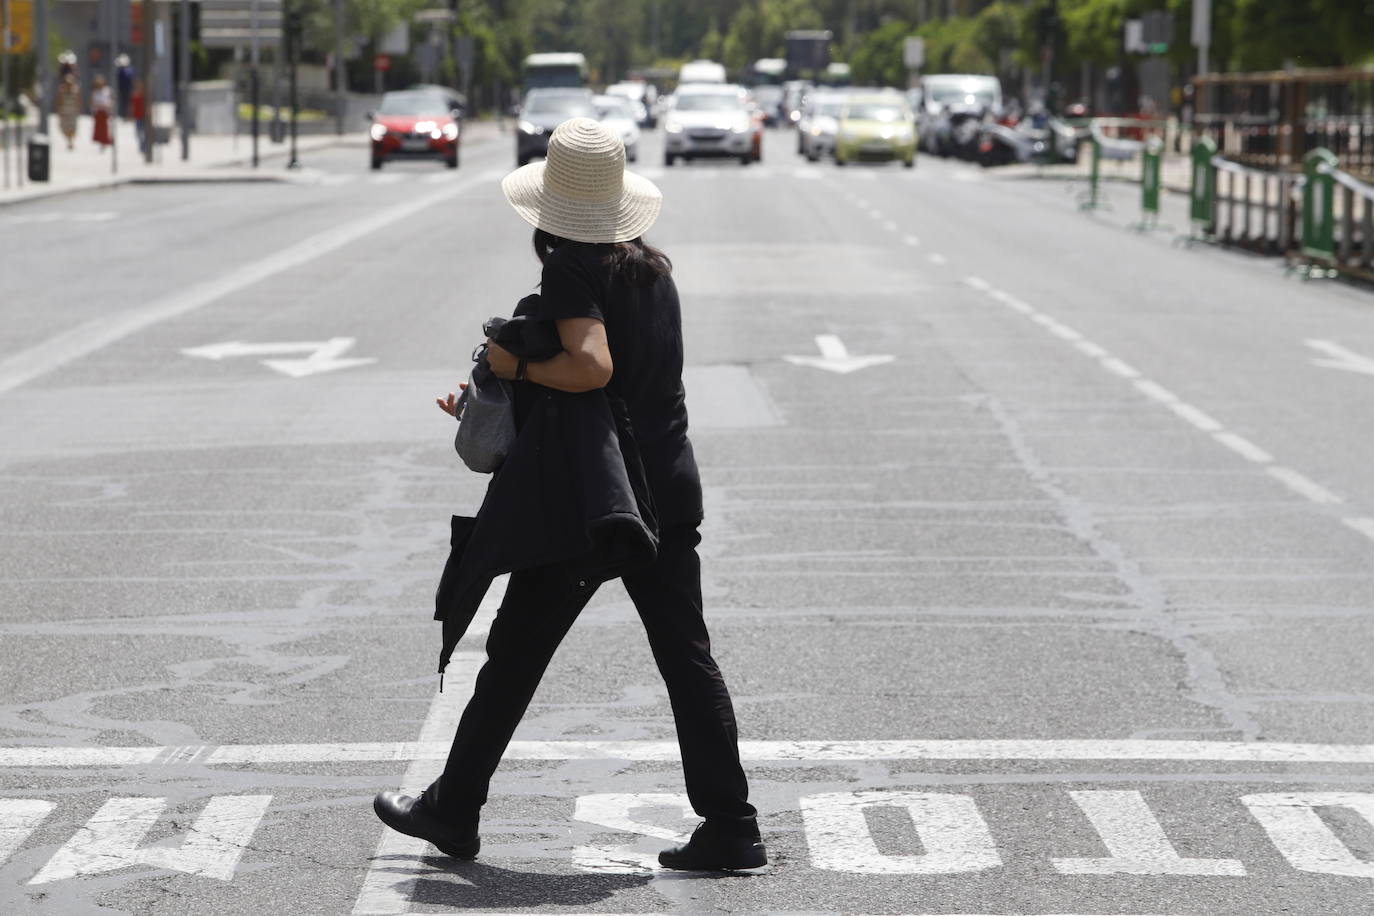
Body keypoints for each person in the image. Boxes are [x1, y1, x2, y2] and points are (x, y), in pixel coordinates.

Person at [372, 118, 767, 873]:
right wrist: (505, 399)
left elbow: (592, 369)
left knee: (515, 651)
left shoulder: (572, 272)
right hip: (667, 485)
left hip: (598, 501)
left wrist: (514, 371)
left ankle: (454, 808)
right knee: (687, 656)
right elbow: (625, 386)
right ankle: (731, 825)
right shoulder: (653, 273)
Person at [55, 73, 81, 150]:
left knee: (73, 128)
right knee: (64, 128)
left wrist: (78, 110)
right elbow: (59, 101)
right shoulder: (62, 90)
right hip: (64, 111)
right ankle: (69, 140)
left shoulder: (75, 90)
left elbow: (78, 100)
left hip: (72, 111)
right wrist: (59, 111)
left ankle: (70, 142)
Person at [91, 75, 113, 150]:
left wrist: (109, 107)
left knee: (105, 128)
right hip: (98, 111)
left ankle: (105, 141)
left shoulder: (107, 90)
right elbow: (93, 102)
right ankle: (101, 142)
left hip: (105, 111)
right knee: (99, 128)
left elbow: (110, 100)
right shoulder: (95, 92)